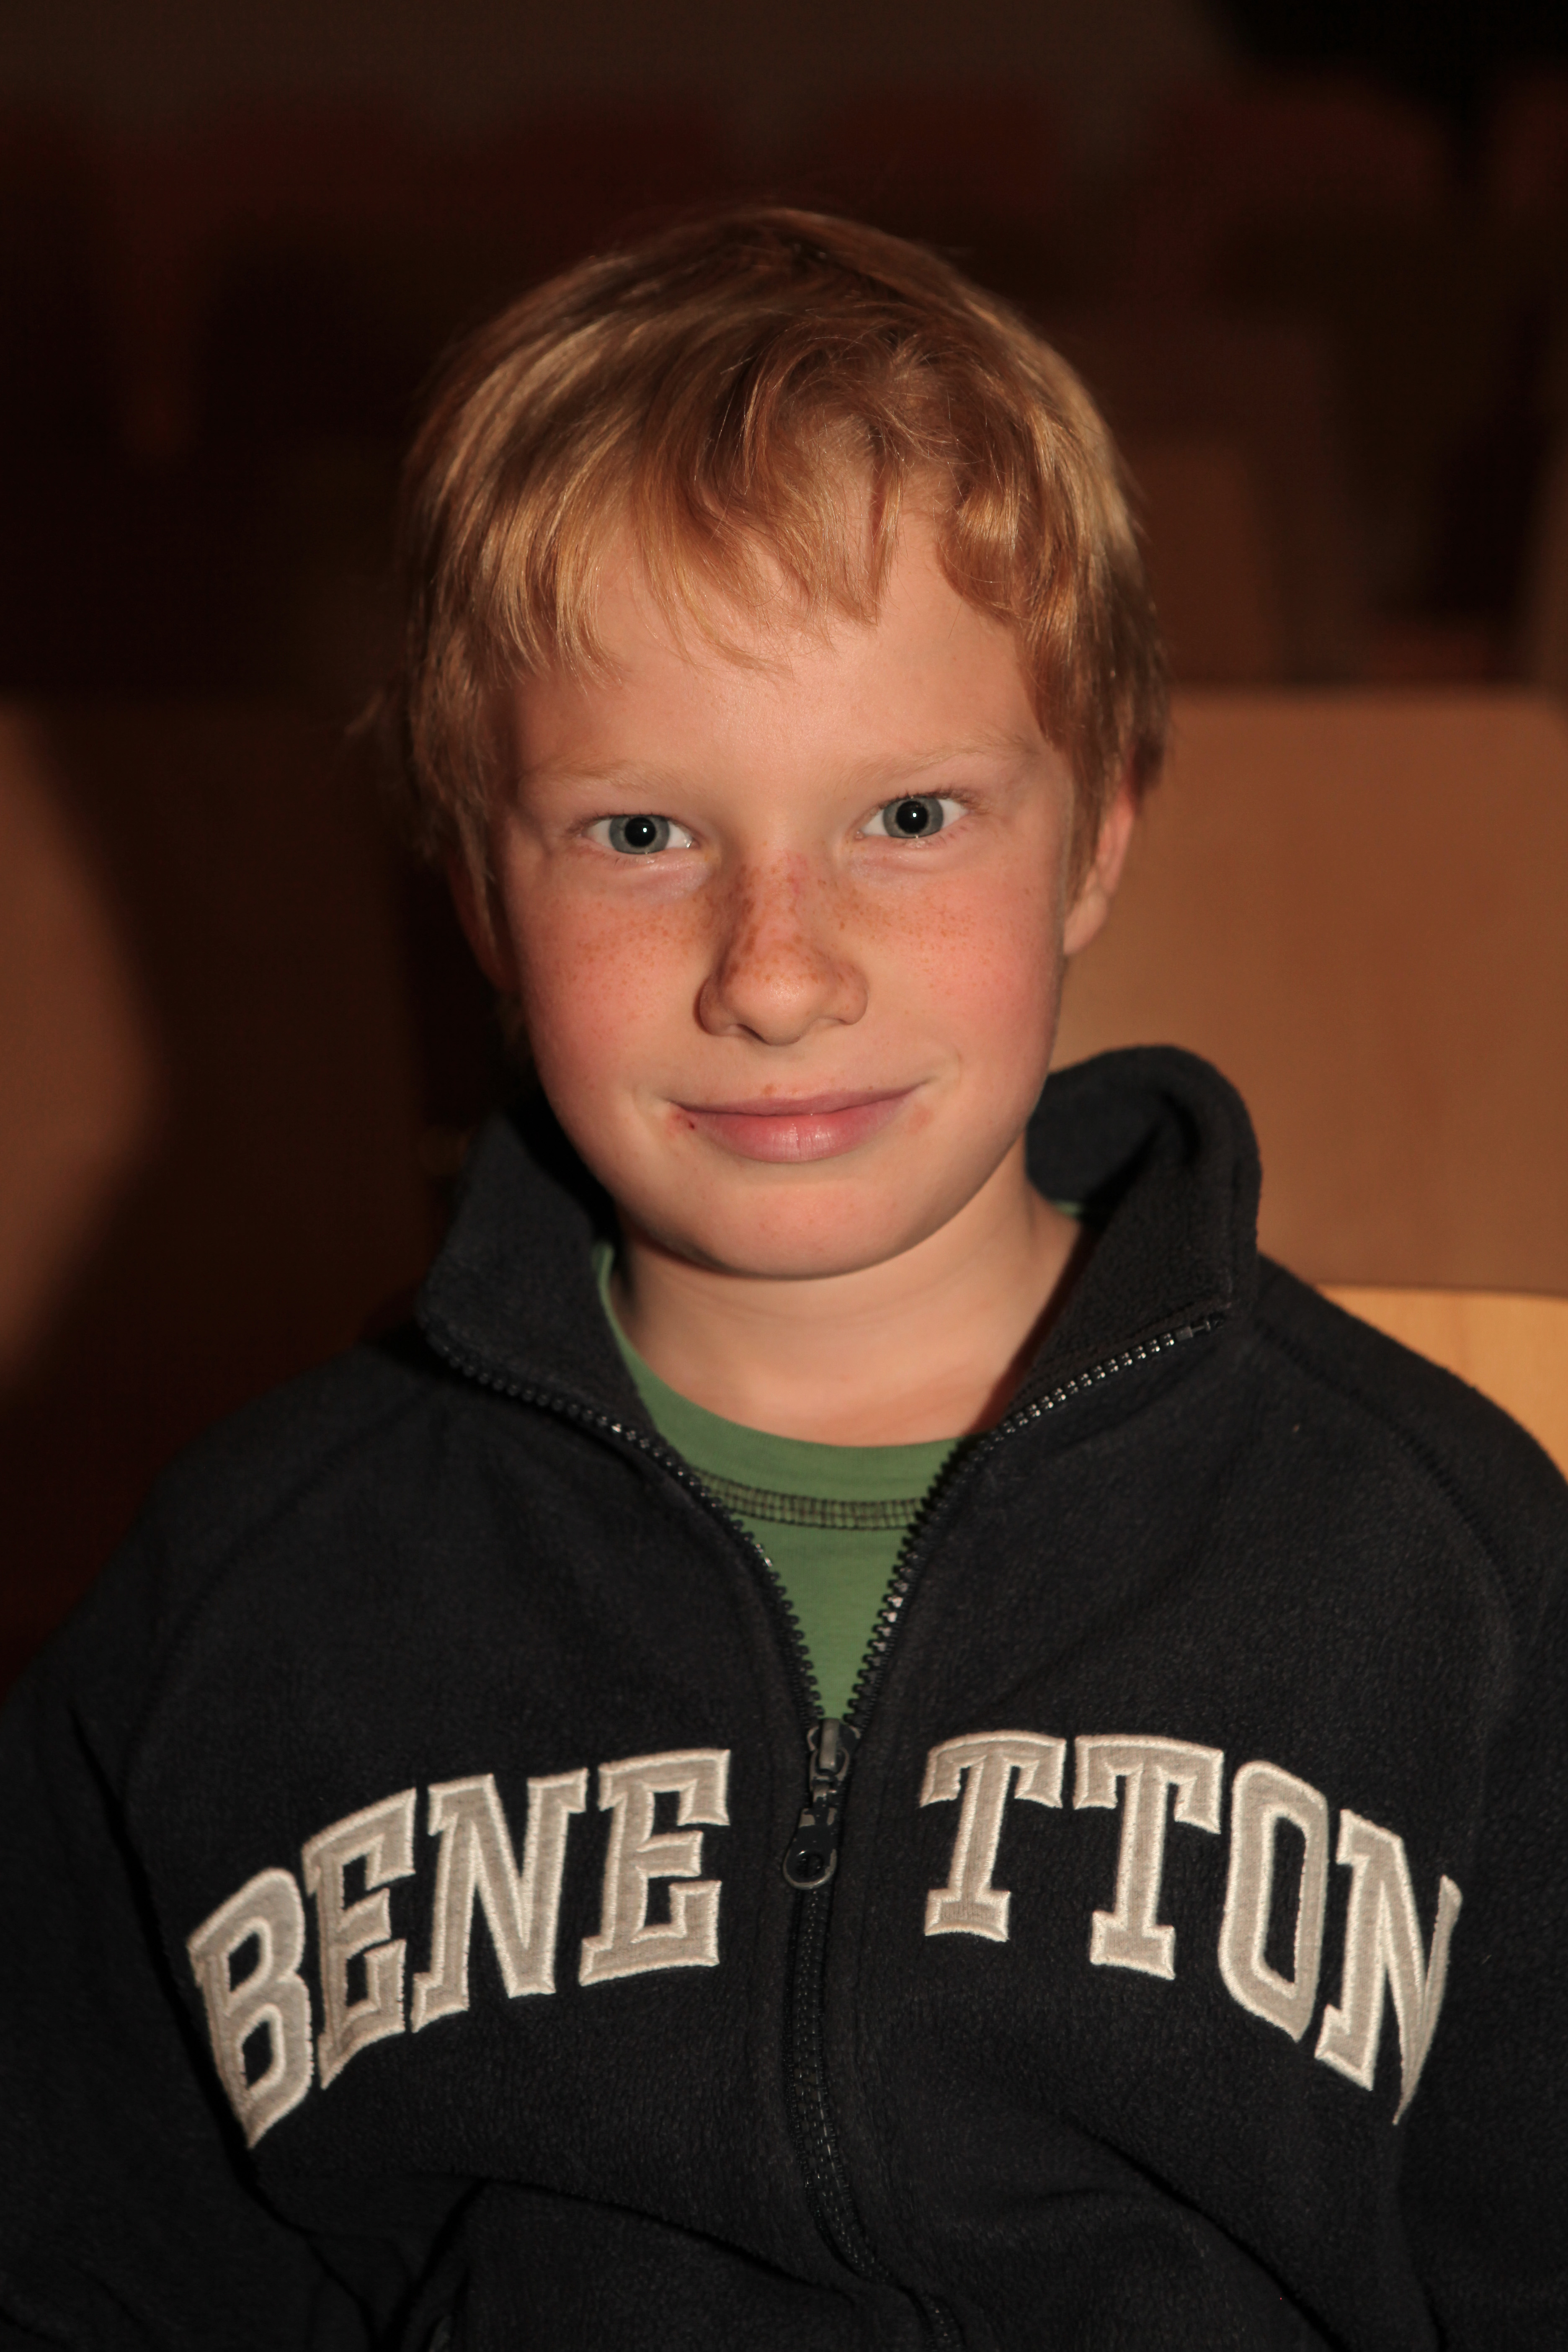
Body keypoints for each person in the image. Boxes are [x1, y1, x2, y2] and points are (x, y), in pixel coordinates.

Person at [1, 209, 1564, 2352]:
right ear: (479, 886)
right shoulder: (245, 1601)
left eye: (908, 817)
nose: (775, 970)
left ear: (1101, 829)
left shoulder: (1447, 1571)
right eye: (641, 835)